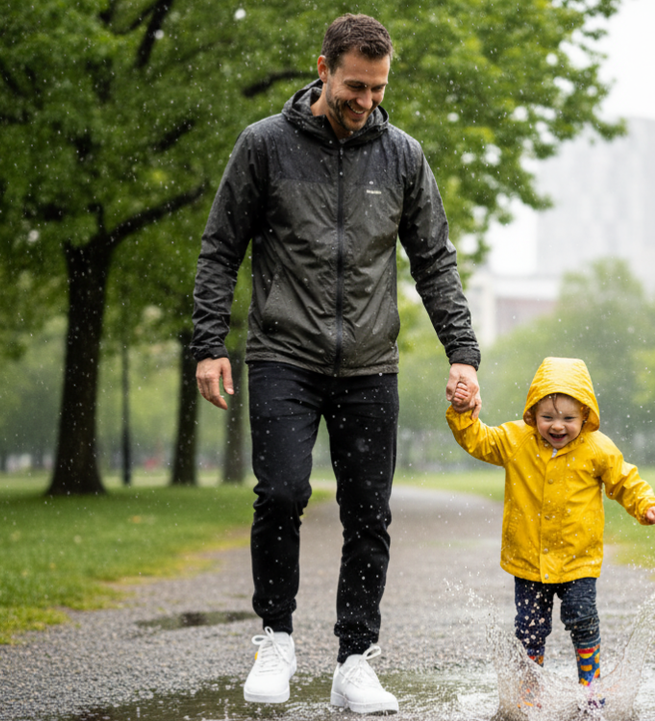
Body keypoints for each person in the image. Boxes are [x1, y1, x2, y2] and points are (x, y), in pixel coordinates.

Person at [191, 13, 481, 714]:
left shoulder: (404, 156)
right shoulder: (264, 146)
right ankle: (276, 637)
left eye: (378, 89)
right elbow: (220, 246)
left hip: (370, 363)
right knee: (283, 493)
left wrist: (463, 352)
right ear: (322, 68)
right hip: (284, 352)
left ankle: (356, 657)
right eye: (354, 85)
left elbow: (434, 261)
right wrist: (207, 344)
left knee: (369, 513)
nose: (365, 102)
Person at [446, 357, 655, 701]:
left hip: (577, 560)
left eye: (568, 418)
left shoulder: (597, 448)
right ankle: (529, 692)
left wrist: (648, 505)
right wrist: (463, 414)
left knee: (582, 620)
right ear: (533, 413)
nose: (557, 426)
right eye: (547, 417)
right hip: (529, 561)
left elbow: (626, 480)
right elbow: (479, 441)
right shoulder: (516, 440)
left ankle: (590, 687)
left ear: (585, 415)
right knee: (529, 629)